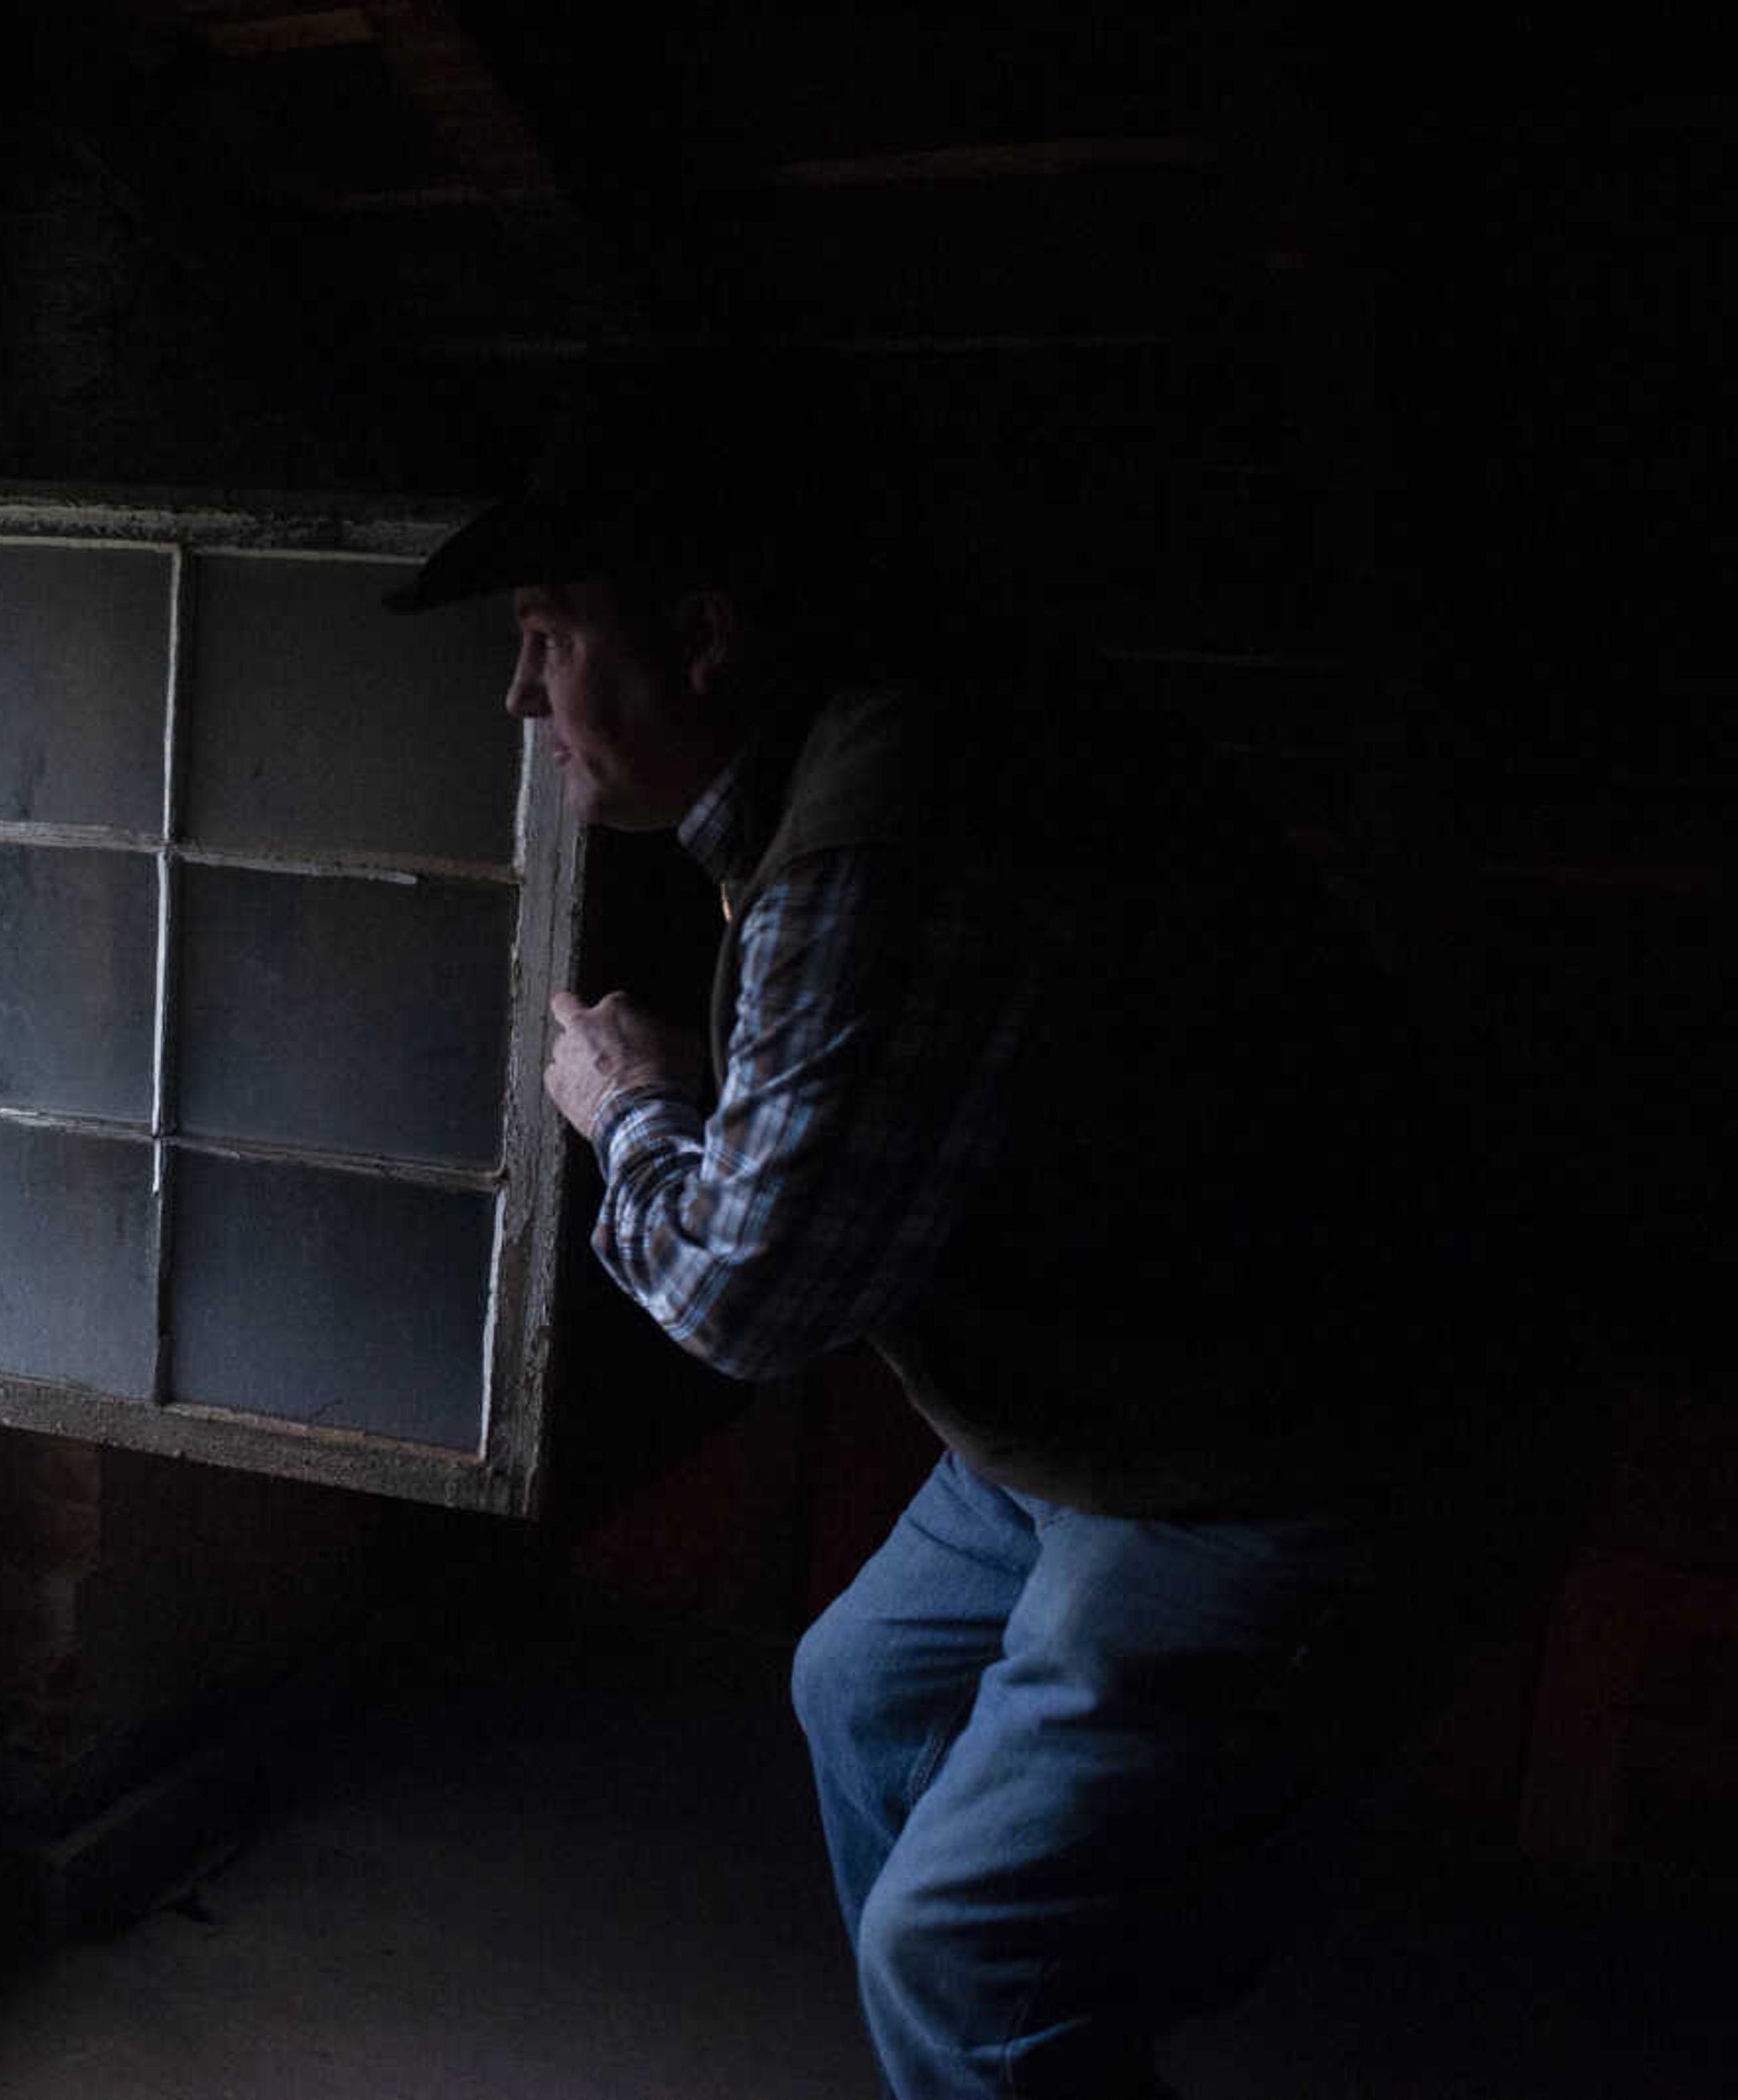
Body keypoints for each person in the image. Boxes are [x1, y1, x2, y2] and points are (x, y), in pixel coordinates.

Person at [390, 421, 1560, 2098]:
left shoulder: (888, 829)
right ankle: (1012, 2046)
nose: (522, 695)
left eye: (550, 639)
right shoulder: (848, 759)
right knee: (863, 1692)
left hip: (1288, 1446)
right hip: (1113, 1400)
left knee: (962, 1946)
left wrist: (624, 1108)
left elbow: (748, 1298)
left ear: (702, 638)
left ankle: (1011, 2012)